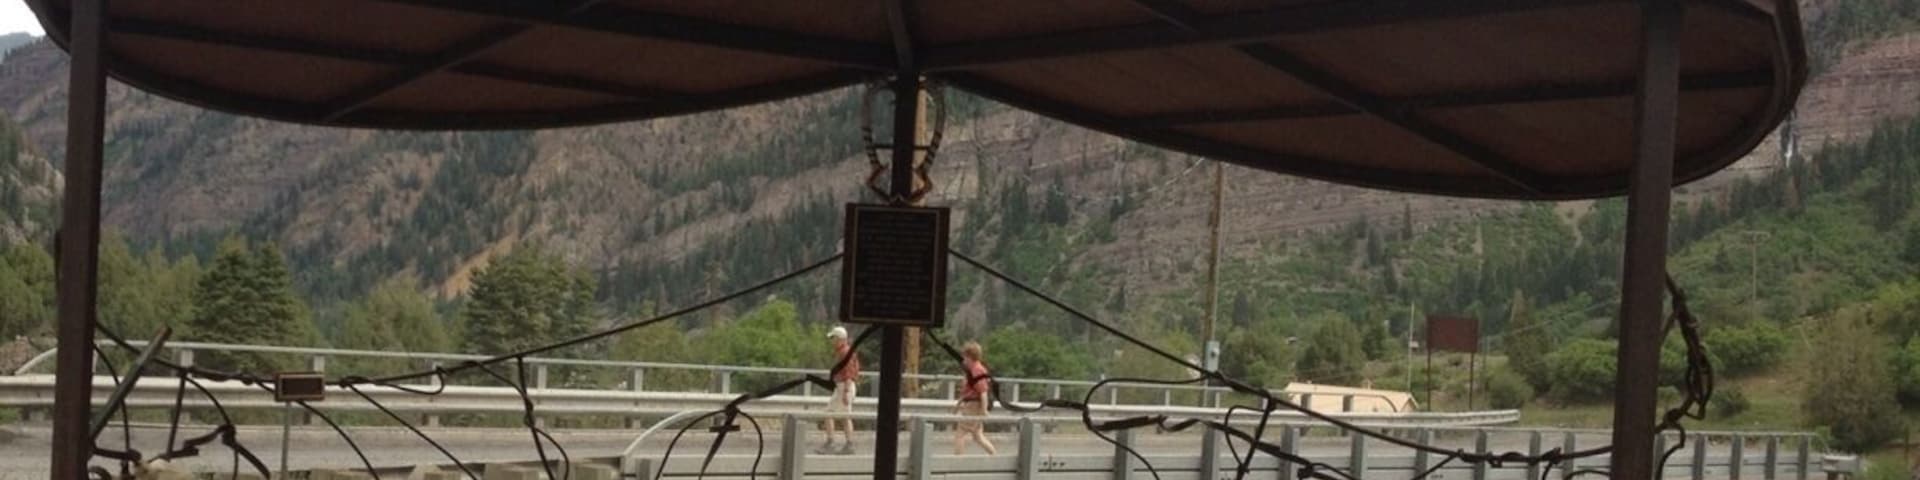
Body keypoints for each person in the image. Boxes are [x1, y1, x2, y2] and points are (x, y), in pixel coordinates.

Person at [953, 340, 998, 455]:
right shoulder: (973, 370)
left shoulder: (977, 370)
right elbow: (967, 391)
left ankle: (958, 460)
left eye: (965, 356)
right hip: (972, 404)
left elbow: (983, 391)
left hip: (973, 406)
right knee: (977, 435)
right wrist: (958, 405)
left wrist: (984, 410)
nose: (963, 360)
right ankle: (994, 455)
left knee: (960, 434)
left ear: (969, 357)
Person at [820, 326, 859, 455]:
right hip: (844, 386)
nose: (832, 341)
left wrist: (846, 392)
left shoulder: (844, 353)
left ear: (840, 339)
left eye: (833, 338)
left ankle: (832, 442)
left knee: (829, 413)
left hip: (844, 387)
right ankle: (848, 444)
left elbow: (848, 374)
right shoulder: (846, 351)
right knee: (844, 416)